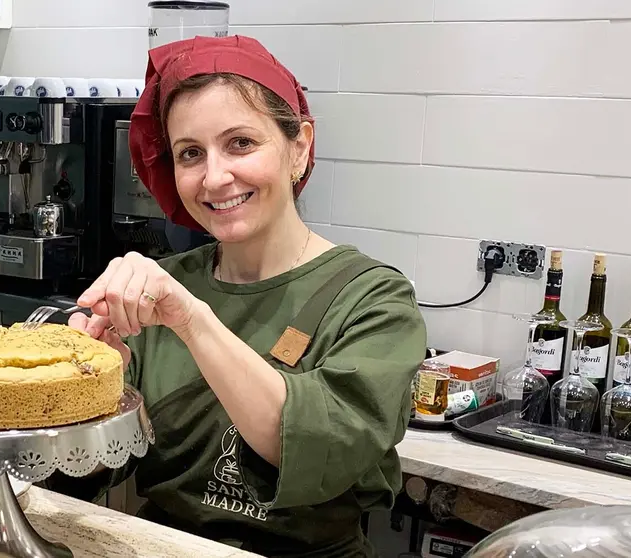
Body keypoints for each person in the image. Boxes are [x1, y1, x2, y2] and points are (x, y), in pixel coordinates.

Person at [43, 35, 427, 557]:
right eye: (190, 154)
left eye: (241, 143)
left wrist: (191, 320)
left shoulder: (371, 298)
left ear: (300, 146)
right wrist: (92, 392)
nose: (215, 177)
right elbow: (91, 471)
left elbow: (319, 448)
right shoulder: (162, 285)